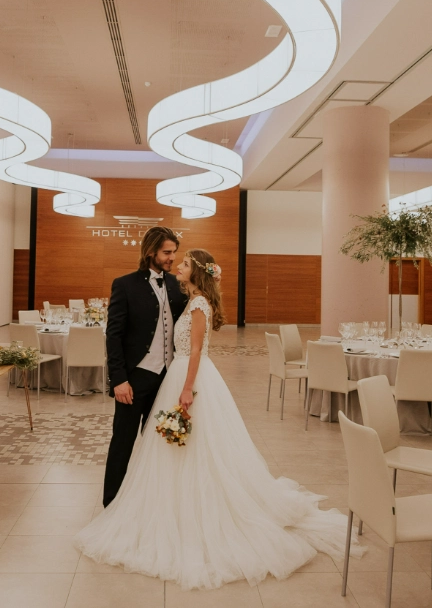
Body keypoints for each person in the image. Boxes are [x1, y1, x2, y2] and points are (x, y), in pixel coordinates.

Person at [77, 249, 364, 590]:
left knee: (199, 447)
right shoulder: (190, 298)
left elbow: (196, 350)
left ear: (195, 271)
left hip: (188, 378)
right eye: (174, 258)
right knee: (173, 447)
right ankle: (167, 506)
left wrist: (186, 390)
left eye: (183, 263)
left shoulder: (198, 305)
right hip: (174, 375)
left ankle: (196, 513)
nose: (177, 266)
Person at [102, 226, 188, 507]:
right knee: (123, 442)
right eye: (167, 252)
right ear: (150, 251)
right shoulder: (124, 284)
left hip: (167, 379)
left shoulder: (177, 285)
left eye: (174, 252)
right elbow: (113, 335)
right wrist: (119, 379)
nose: (171, 257)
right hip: (135, 378)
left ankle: (154, 502)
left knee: (161, 443)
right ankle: (111, 502)